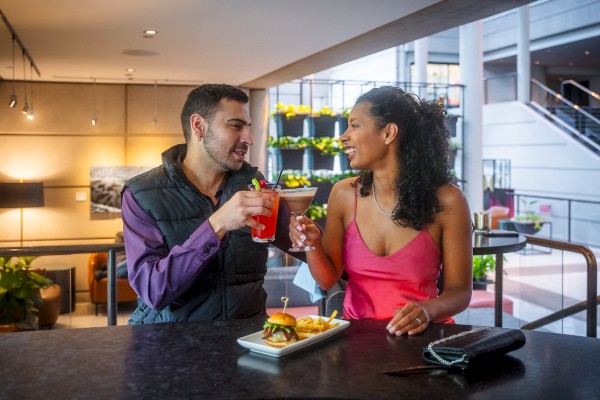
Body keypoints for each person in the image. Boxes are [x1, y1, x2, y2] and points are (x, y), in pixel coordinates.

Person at [289, 86, 473, 336]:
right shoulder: (344, 194)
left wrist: (427, 310)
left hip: (423, 341)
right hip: (356, 342)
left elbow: (460, 291)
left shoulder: (448, 200)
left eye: (354, 126)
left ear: (389, 132)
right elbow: (327, 279)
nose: (343, 137)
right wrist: (312, 244)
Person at [121, 83, 296, 324]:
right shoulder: (141, 194)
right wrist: (217, 225)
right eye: (236, 126)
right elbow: (153, 291)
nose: (249, 139)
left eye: (248, 127)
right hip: (169, 347)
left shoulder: (255, 183)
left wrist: (307, 229)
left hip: (246, 341)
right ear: (199, 126)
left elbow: (303, 244)